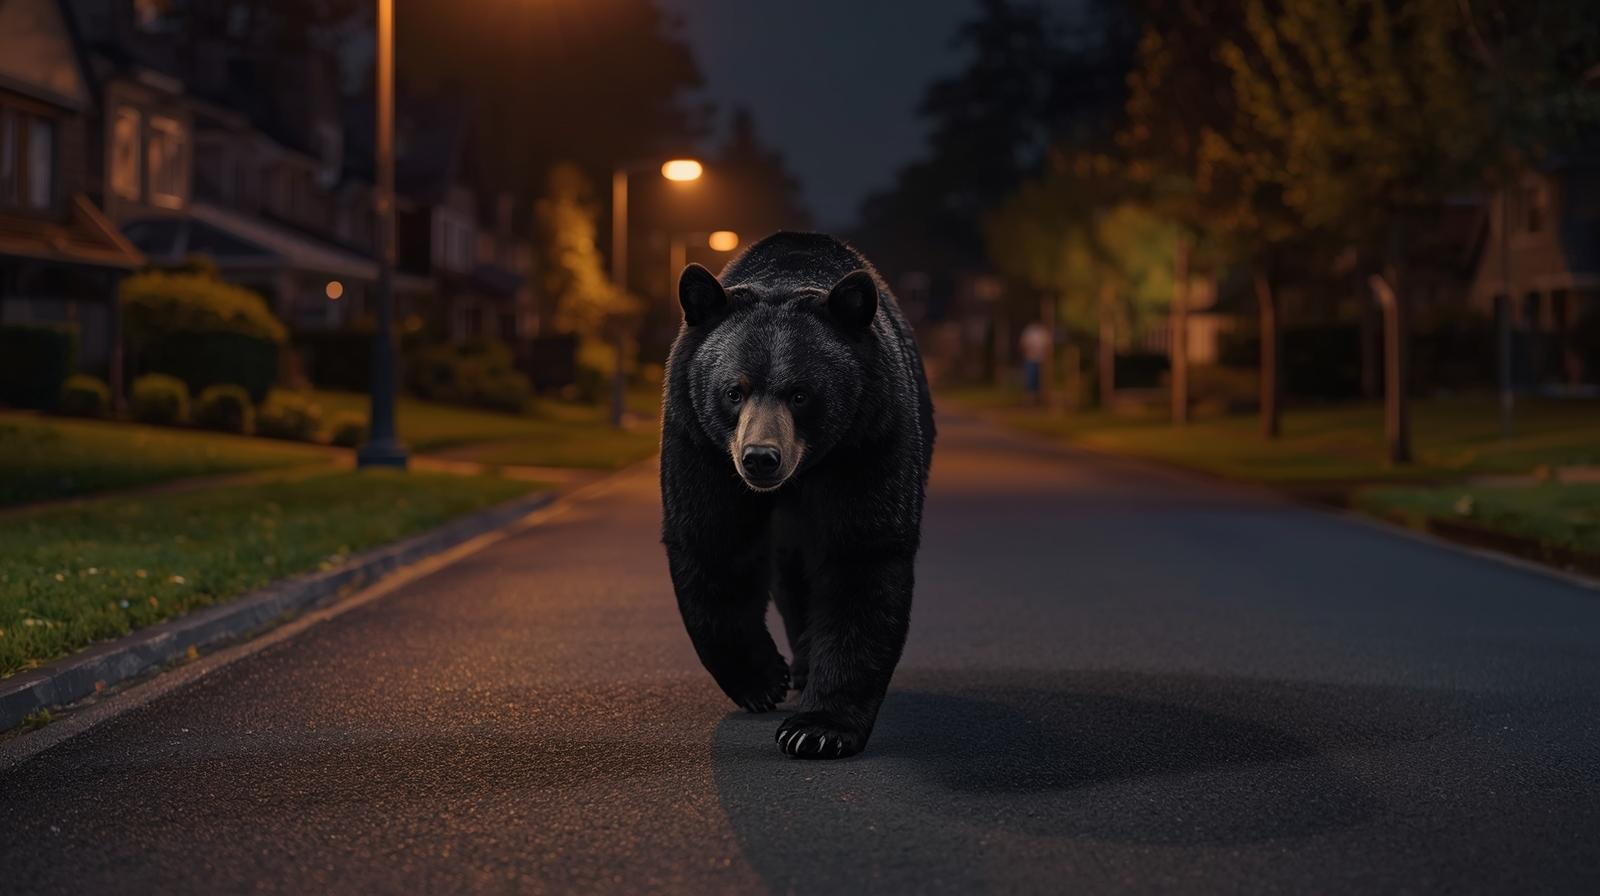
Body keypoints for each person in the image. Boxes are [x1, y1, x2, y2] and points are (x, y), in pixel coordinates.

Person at [1020, 320, 1050, 404]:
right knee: (1030, 378)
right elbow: (1023, 343)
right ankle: (1030, 397)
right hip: (1031, 358)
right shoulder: (1029, 330)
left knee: (1040, 379)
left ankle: (1038, 397)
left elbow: (1047, 345)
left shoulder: (1043, 331)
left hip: (1041, 359)